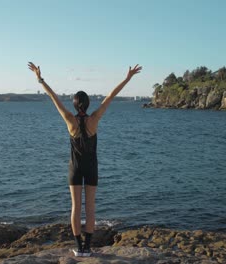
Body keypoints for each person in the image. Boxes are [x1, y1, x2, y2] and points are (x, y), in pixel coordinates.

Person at [28, 62, 142, 257]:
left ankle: (79, 248)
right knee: (90, 207)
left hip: (74, 168)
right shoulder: (94, 119)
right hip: (91, 168)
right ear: (88, 104)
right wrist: (128, 78)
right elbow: (111, 96)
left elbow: (53, 97)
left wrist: (40, 79)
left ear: (74, 104)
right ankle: (88, 248)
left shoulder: (69, 119)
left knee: (75, 207)